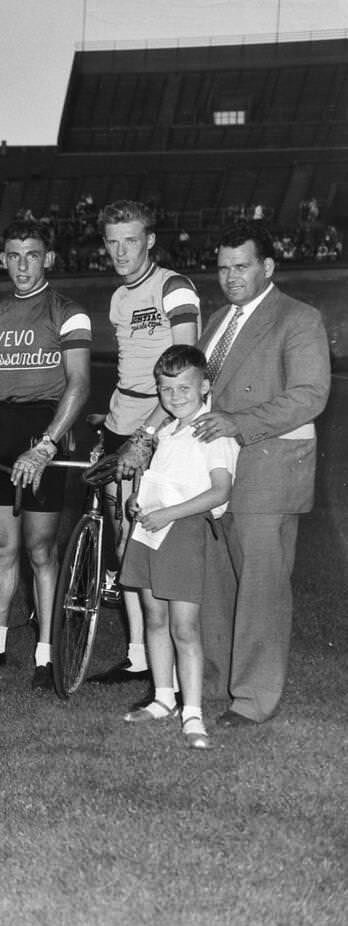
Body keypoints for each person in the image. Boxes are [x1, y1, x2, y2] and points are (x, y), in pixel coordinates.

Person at [193, 221, 330, 727]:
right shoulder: (217, 320)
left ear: (267, 267)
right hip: (218, 474)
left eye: (242, 266)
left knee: (261, 590)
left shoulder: (298, 318)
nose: (230, 276)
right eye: (224, 267)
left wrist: (238, 424)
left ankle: (253, 700)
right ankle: (213, 683)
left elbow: (310, 395)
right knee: (218, 584)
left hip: (268, 470)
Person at [0, 219, 91, 690]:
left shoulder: (67, 312)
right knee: (0, 546)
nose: (22, 264)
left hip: (43, 429)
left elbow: (80, 383)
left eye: (31, 254)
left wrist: (48, 445)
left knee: (39, 548)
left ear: (48, 258)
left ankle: (46, 653)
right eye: (13, 255)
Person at [90, 200, 200, 687]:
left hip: (162, 425)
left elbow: (189, 366)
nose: (121, 251)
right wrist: (112, 425)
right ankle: (137, 654)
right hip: (122, 420)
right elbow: (129, 368)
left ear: (150, 240)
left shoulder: (174, 287)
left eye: (130, 240)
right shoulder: (118, 298)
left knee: (155, 537)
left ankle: (171, 668)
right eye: (112, 241)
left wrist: (147, 434)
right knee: (123, 540)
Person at [120, 346, 238, 750]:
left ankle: (193, 713)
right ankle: (162, 697)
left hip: (183, 533)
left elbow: (220, 490)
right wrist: (137, 501)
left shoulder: (211, 432)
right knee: (154, 618)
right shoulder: (167, 432)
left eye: (183, 387)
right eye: (165, 389)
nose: (174, 396)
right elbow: (156, 484)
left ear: (204, 386)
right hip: (151, 531)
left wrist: (169, 514)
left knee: (184, 627)